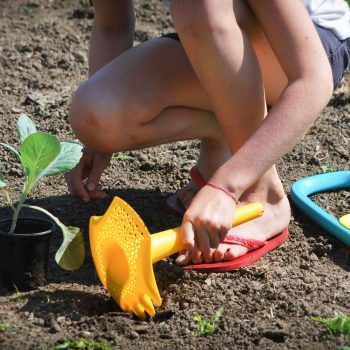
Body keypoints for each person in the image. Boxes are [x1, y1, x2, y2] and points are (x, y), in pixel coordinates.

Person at [65, 0, 350, 267]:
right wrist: (97, 143)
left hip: (309, 44)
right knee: (96, 114)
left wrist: (227, 187)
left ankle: (263, 195)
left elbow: (313, 78)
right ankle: (227, 137)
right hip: (218, 34)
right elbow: (112, 26)